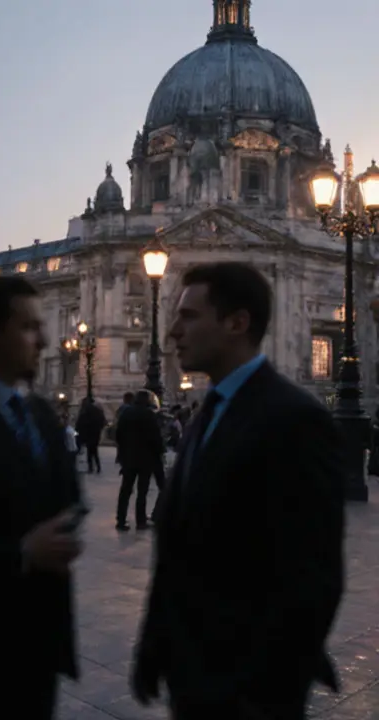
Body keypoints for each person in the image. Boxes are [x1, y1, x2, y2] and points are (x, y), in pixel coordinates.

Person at [131, 262, 344, 718]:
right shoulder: (210, 410)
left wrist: (267, 689)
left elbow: (314, 573)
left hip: (247, 691)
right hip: (192, 675)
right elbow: (179, 546)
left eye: (188, 317)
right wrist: (155, 644)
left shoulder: (295, 418)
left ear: (237, 323)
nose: (172, 331)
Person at [0, 275, 84, 719]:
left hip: (40, 641)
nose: (45, 340)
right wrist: (22, 552)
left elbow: (69, 495)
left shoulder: (42, 413)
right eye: (29, 327)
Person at [113, 390, 163, 531]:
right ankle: (140, 521)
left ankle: (121, 520)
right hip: (145, 460)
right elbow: (155, 438)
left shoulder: (126, 413)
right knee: (142, 491)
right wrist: (158, 452)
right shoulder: (149, 415)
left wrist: (122, 453)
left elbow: (118, 435)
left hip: (128, 458)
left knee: (125, 490)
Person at [75, 397, 106, 473]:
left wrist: (78, 432)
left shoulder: (85, 411)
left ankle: (91, 467)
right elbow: (103, 421)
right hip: (95, 433)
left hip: (88, 433)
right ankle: (97, 467)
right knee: (94, 451)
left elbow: (80, 423)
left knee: (90, 451)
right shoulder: (98, 411)